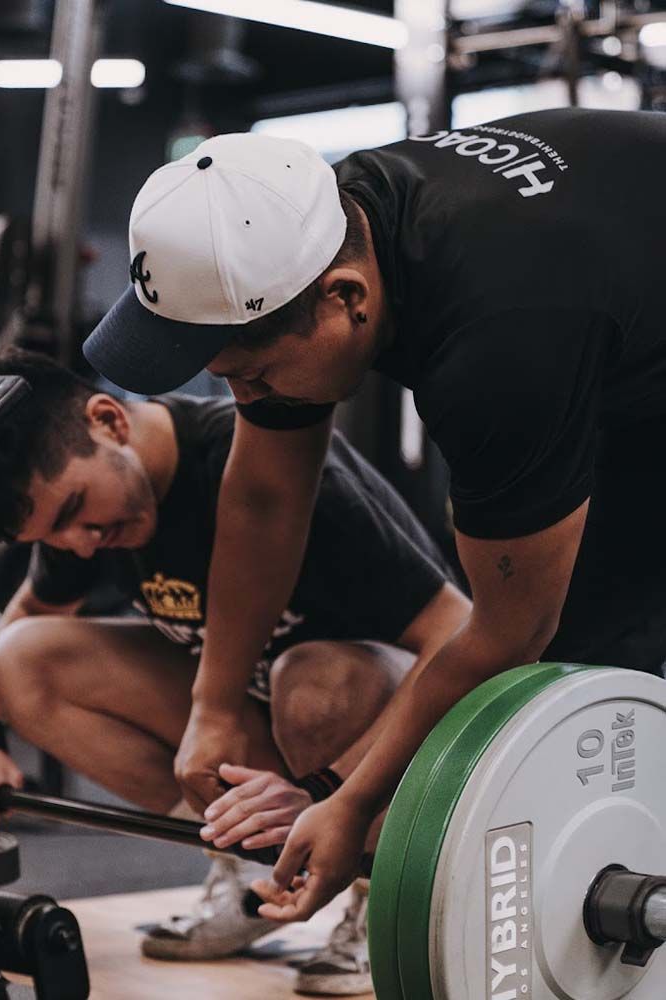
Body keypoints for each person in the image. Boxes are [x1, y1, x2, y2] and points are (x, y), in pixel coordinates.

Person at [82, 107, 666, 921]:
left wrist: (343, 801)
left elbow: (507, 632)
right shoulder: (322, 222)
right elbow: (264, 494)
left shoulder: (497, 347)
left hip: (595, 320)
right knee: (585, 671)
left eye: (251, 377)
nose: (244, 400)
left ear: (345, 299)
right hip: (621, 313)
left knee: (583, 666)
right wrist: (212, 707)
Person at [0, 349, 470, 994]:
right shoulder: (90, 519)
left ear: (109, 420)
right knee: (22, 662)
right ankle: (252, 872)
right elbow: (27, 615)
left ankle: (373, 893)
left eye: (75, 511)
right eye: (52, 534)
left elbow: (456, 631)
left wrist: (336, 790)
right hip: (262, 730)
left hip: (379, 735)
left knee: (311, 682)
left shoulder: (275, 470)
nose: (78, 543)